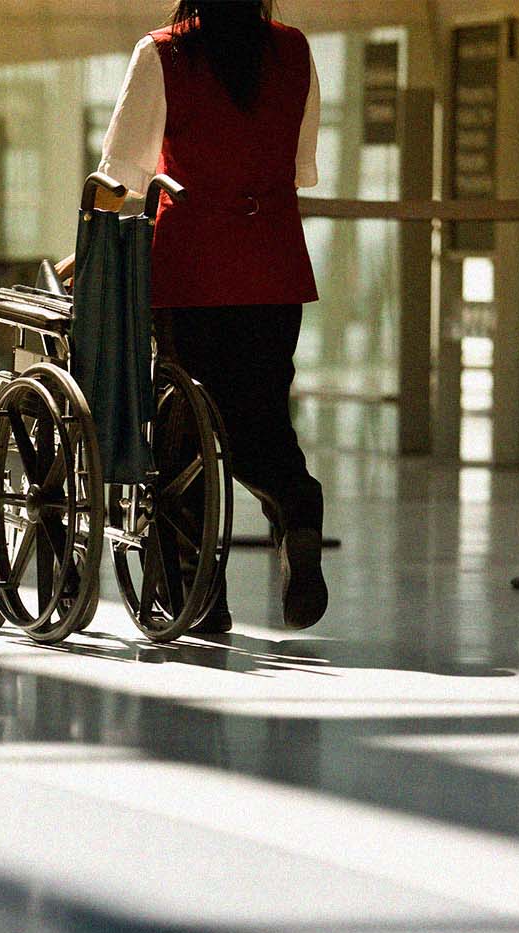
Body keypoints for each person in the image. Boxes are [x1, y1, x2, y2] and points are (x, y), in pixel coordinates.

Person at [56, 0, 327, 631]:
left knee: (184, 430)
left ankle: (198, 596)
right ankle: (296, 505)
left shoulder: (163, 53)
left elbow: (121, 175)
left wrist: (90, 250)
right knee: (261, 414)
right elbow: (297, 165)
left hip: (190, 271)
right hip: (273, 267)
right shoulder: (294, 51)